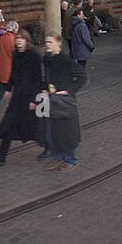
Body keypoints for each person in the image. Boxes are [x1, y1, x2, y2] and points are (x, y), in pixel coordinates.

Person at [0, 31, 46, 164]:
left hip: (29, 97)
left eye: (22, 39)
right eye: (17, 39)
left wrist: (34, 100)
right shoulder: (16, 54)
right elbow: (13, 74)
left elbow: (38, 80)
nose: (19, 41)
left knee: (34, 126)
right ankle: (1, 155)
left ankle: (49, 146)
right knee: (8, 123)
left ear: (27, 40)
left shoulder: (34, 55)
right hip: (17, 96)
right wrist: (8, 89)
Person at [37, 33, 83, 168]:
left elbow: (82, 77)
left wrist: (69, 91)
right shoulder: (46, 59)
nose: (47, 44)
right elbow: (46, 78)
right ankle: (57, 157)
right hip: (51, 99)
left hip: (64, 101)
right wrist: (45, 88)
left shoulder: (66, 59)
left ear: (58, 43)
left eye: (50, 42)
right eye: (46, 42)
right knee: (52, 130)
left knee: (66, 131)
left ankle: (70, 159)